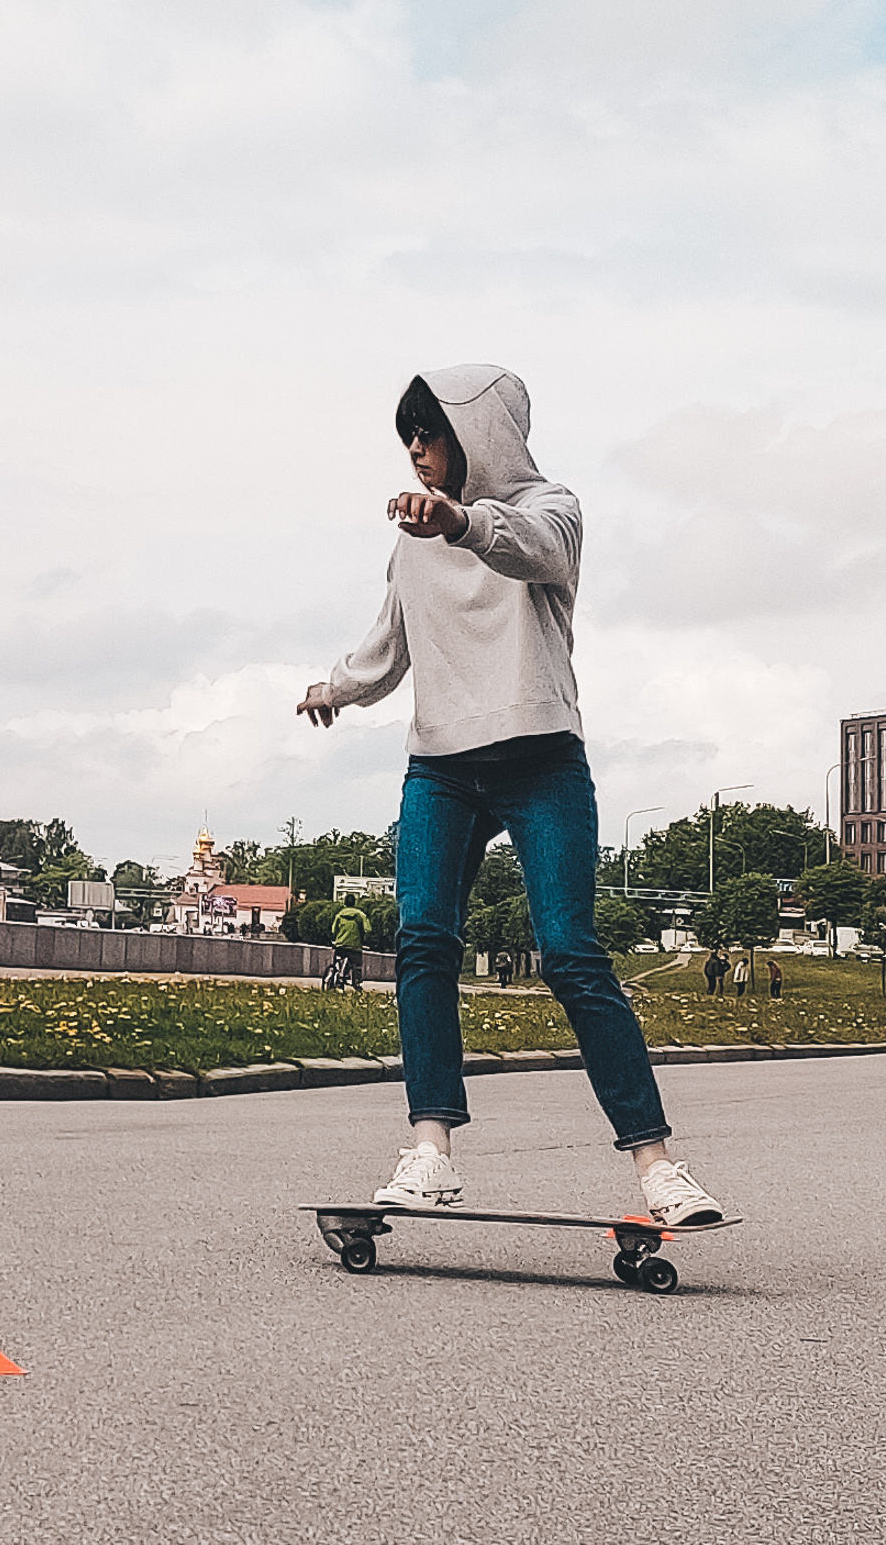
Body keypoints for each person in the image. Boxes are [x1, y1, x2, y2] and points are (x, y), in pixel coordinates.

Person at [299, 364, 723, 1227]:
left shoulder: (551, 505)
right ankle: (429, 1151)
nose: (418, 455)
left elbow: (531, 550)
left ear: (478, 434)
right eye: (407, 441)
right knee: (423, 944)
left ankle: (659, 1168)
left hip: (542, 764)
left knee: (570, 952)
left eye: (430, 436)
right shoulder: (408, 541)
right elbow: (391, 642)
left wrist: (458, 521)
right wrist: (335, 689)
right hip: (442, 770)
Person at [326, 898, 371, 992]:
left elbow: (334, 930)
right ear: (355, 902)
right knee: (357, 965)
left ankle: (337, 978)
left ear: (344, 903)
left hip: (340, 945)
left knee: (338, 962)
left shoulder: (339, 915)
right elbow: (368, 929)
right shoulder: (360, 915)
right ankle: (357, 982)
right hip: (355, 946)